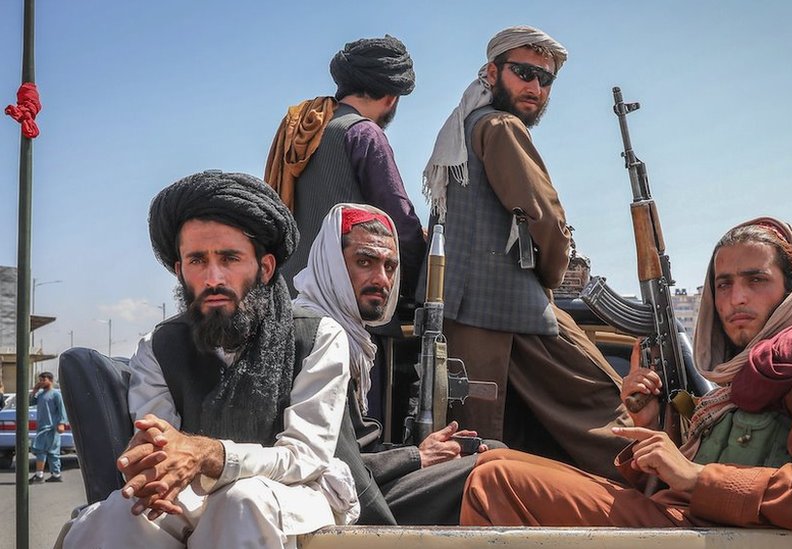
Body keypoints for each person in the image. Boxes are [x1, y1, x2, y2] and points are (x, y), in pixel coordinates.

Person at [461, 217, 792, 533]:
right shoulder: (750, 370)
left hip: (705, 531)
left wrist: (696, 477)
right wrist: (651, 424)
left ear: (790, 288)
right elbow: (704, 463)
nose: (736, 297)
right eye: (724, 284)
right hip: (683, 518)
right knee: (493, 457)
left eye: (757, 280)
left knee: (494, 480)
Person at [61, 170, 358, 548]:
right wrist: (150, 464)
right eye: (197, 260)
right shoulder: (158, 347)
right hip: (192, 497)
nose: (213, 277)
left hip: (295, 491)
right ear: (179, 270)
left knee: (240, 502)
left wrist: (213, 455)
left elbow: (304, 456)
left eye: (230, 258)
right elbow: (161, 451)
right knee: (112, 517)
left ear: (265, 268)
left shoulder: (317, 336)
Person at [418, 25, 630, 480]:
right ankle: (666, 500)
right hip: (512, 313)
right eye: (523, 73)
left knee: (477, 441)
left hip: (463, 314)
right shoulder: (500, 126)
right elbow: (546, 220)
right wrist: (550, 280)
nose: (535, 87)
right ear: (492, 72)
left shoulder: (466, 126)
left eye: (545, 79)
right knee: (614, 407)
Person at [293, 203, 501, 525]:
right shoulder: (316, 333)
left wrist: (424, 448)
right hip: (342, 499)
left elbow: (356, 447)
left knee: (489, 450)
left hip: (359, 482)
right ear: (332, 264)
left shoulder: (352, 336)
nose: (382, 280)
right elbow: (333, 463)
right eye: (365, 262)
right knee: (494, 475)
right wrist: (417, 456)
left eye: (390, 267)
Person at [266, 35, 425, 299]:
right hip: (348, 300)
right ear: (391, 98)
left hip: (289, 295)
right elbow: (399, 223)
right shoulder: (364, 133)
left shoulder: (301, 129)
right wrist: (419, 282)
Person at [28, 371, 68, 484]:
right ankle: (50, 474)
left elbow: (62, 410)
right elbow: (30, 402)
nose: (41, 382)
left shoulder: (56, 394)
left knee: (50, 451)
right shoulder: (40, 395)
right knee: (42, 450)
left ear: (50, 380)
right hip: (42, 427)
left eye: (43, 380)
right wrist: (35, 390)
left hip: (52, 428)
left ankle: (45, 475)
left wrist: (61, 423)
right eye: (40, 380)